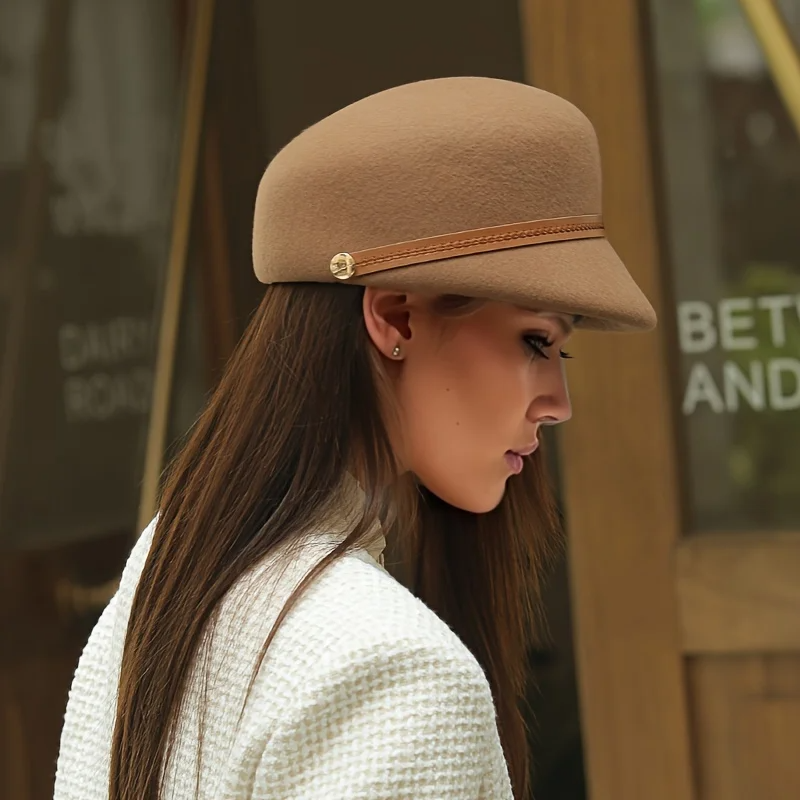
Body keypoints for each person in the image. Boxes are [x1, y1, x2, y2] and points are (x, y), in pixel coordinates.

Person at [53, 77, 655, 800]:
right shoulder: (393, 667)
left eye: (563, 351)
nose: (558, 403)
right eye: (534, 341)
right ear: (396, 318)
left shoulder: (174, 568)